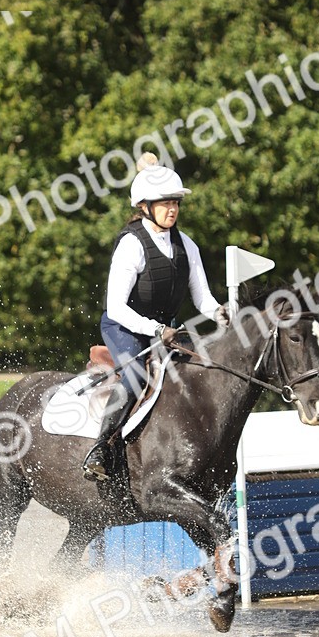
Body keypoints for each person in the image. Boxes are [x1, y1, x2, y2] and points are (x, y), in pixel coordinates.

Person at [82, 153, 230, 483]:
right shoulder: (132, 245)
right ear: (145, 206)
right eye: (164, 203)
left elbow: (203, 298)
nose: (173, 209)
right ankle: (100, 450)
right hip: (125, 328)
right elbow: (116, 306)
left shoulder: (186, 245)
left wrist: (222, 314)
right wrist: (155, 328)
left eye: (175, 202)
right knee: (135, 376)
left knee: (200, 367)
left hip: (165, 332)